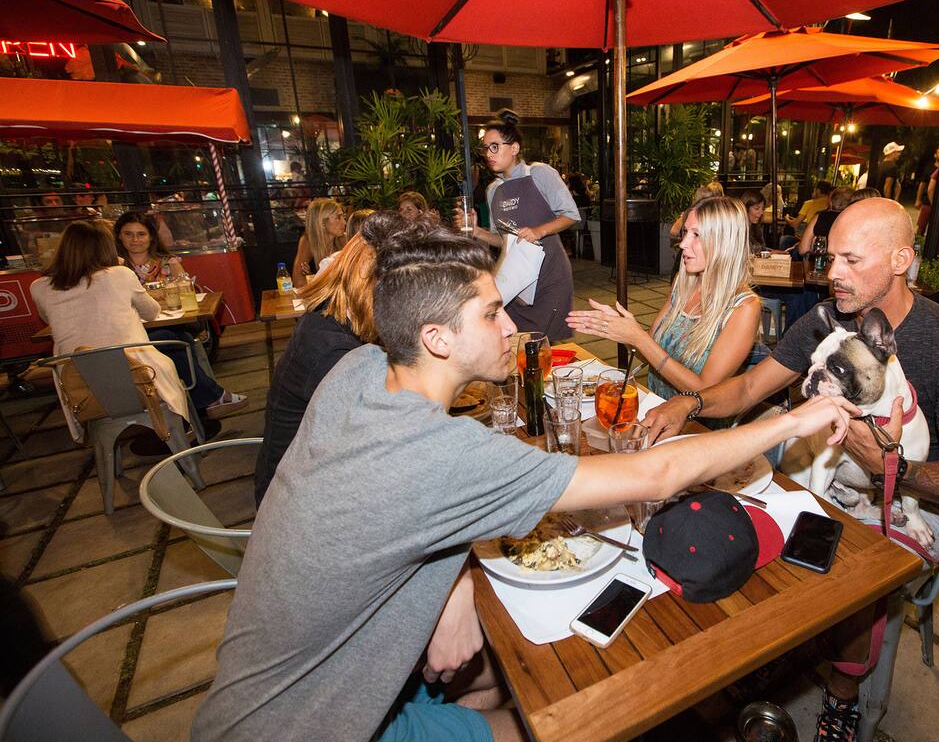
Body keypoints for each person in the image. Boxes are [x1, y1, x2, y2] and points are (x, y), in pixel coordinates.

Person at [191, 222, 854, 742]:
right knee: (569, 716)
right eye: (490, 314)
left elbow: (400, 511)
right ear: (436, 339)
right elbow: (656, 472)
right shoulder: (439, 453)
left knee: (496, 669)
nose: (512, 324)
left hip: (265, 695)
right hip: (313, 726)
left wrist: (454, 586)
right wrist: (791, 420)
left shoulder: (360, 368)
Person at [642, 198, 939, 739]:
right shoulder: (825, 321)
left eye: (851, 260)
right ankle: (766, 648)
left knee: (856, 580)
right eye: (831, 258)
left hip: (919, 501)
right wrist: (689, 403)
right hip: (830, 475)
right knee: (733, 529)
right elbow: (749, 388)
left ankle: (842, 695)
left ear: (901, 260)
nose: (833, 274)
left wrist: (892, 470)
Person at [30, 222, 245, 441]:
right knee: (174, 340)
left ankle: (204, 404)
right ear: (107, 247)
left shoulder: (38, 287)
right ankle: (197, 409)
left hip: (81, 388)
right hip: (138, 381)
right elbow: (152, 312)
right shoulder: (119, 274)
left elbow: (50, 319)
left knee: (171, 338)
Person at [254, 212, 406, 506]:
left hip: (309, 475)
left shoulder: (331, 316)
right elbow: (383, 441)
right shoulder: (334, 350)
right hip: (293, 501)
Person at [567, 196, 761, 419]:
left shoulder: (744, 307)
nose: (683, 243)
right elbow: (649, 353)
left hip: (697, 427)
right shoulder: (684, 283)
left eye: (696, 235)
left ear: (725, 242)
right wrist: (623, 330)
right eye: (685, 233)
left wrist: (639, 338)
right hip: (655, 411)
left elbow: (704, 392)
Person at [469, 110, 580, 341]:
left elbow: (571, 215)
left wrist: (540, 230)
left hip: (549, 276)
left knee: (545, 345)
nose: (488, 154)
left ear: (515, 148)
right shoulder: (493, 190)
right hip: (515, 282)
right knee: (514, 343)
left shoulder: (540, 173)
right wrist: (477, 231)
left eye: (495, 147)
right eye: (485, 148)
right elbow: (504, 241)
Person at [114, 211, 188, 284]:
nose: (135, 239)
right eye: (128, 234)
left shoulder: (170, 263)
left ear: (151, 236)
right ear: (119, 235)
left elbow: (185, 289)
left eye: (141, 234)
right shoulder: (114, 265)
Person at [292, 198, 347, 289]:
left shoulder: (344, 239)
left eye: (343, 217)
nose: (344, 222)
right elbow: (299, 282)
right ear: (322, 222)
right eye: (338, 217)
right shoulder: (308, 242)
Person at [797, 186, 854, 256]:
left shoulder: (819, 217)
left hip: (819, 260)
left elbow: (803, 250)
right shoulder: (854, 220)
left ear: (830, 202)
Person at [915, 147, 939, 236]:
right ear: (935, 155)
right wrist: (918, 199)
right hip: (927, 202)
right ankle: (918, 244)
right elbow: (922, 184)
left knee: (937, 229)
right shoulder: (929, 168)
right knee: (921, 227)